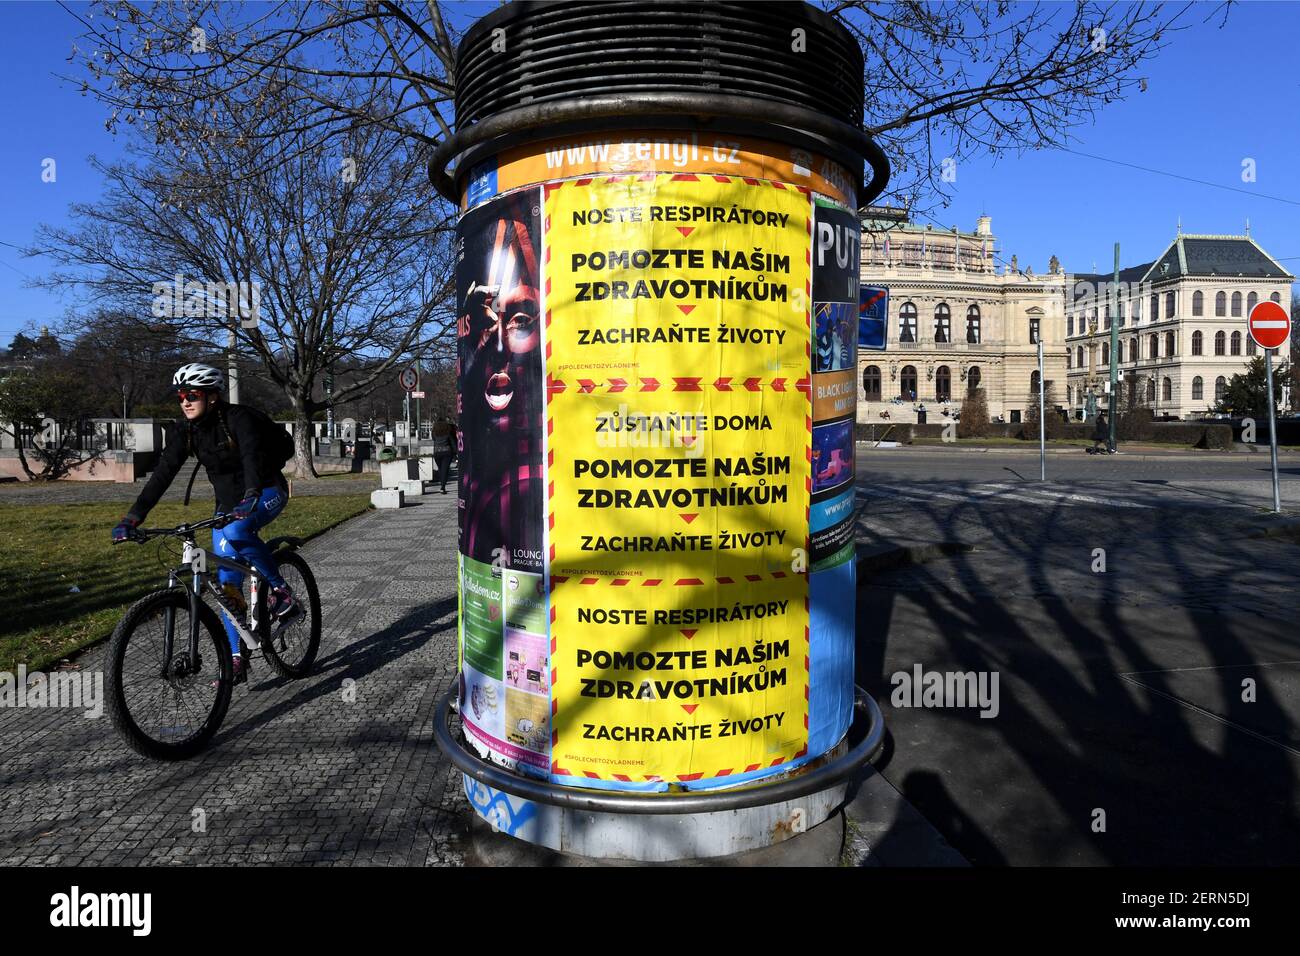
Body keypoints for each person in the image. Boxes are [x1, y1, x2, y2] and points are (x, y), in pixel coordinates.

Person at [110, 363, 300, 685]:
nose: (184, 401)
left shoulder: (240, 419)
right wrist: (133, 517)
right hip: (228, 504)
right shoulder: (187, 431)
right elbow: (162, 474)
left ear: (212, 397)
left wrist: (252, 495)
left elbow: (252, 458)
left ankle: (283, 593)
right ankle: (237, 658)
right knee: (227, 584)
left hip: (266, 490)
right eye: (181, 395)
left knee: (238, 530)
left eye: (192, 395)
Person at [432, 418, 457, 493]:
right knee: (445, 470)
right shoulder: (448, 433)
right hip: (447, 453)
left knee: (441, 469)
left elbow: (433, 439)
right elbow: (452, 443)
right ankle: (442, 487)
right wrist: (456, 452)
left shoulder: (434, 433)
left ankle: (442, 485)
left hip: (437, 453)